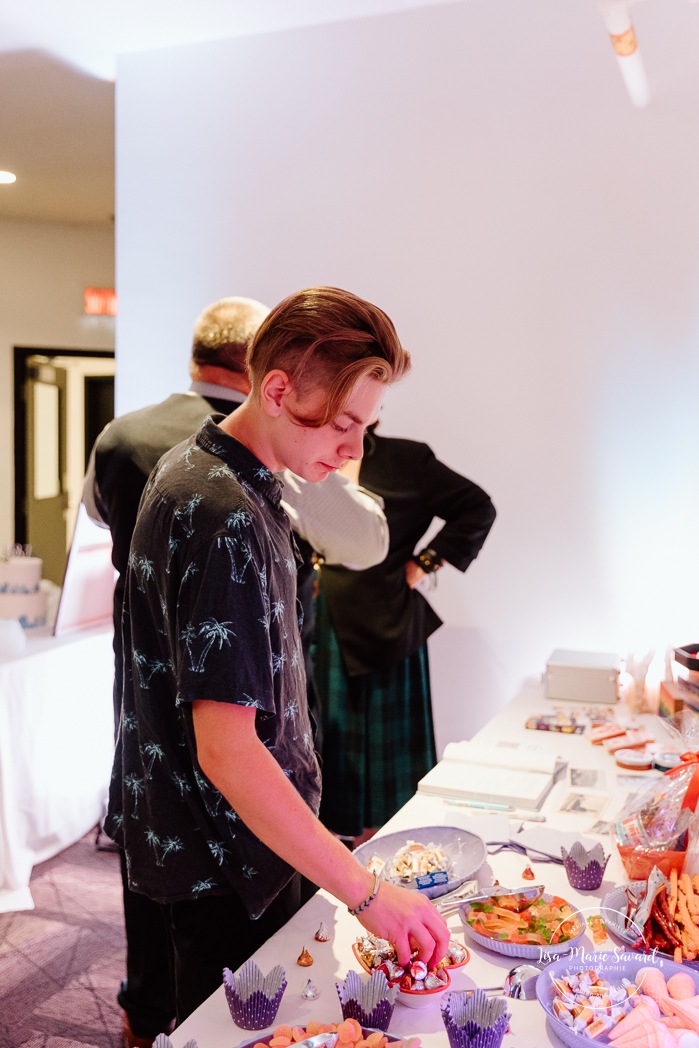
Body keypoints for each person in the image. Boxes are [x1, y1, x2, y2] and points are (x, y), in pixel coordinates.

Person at [103, 286, 450, 1028]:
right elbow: (228, 751)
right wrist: (363, 891)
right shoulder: (222, 511)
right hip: (226, 858)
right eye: (345, 423)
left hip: (231, 843)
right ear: (277, 388)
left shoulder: (212, 473)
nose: (354, 448)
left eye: (367, 425)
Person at [313, 424, 497, 845]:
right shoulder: (300, 455)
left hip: (388, 624)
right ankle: (330, 860)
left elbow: (477, 507)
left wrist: (424, 564)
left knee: (385, 770)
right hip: (318, 624)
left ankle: (390, 858)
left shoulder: (407, 459)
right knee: (324, 744)